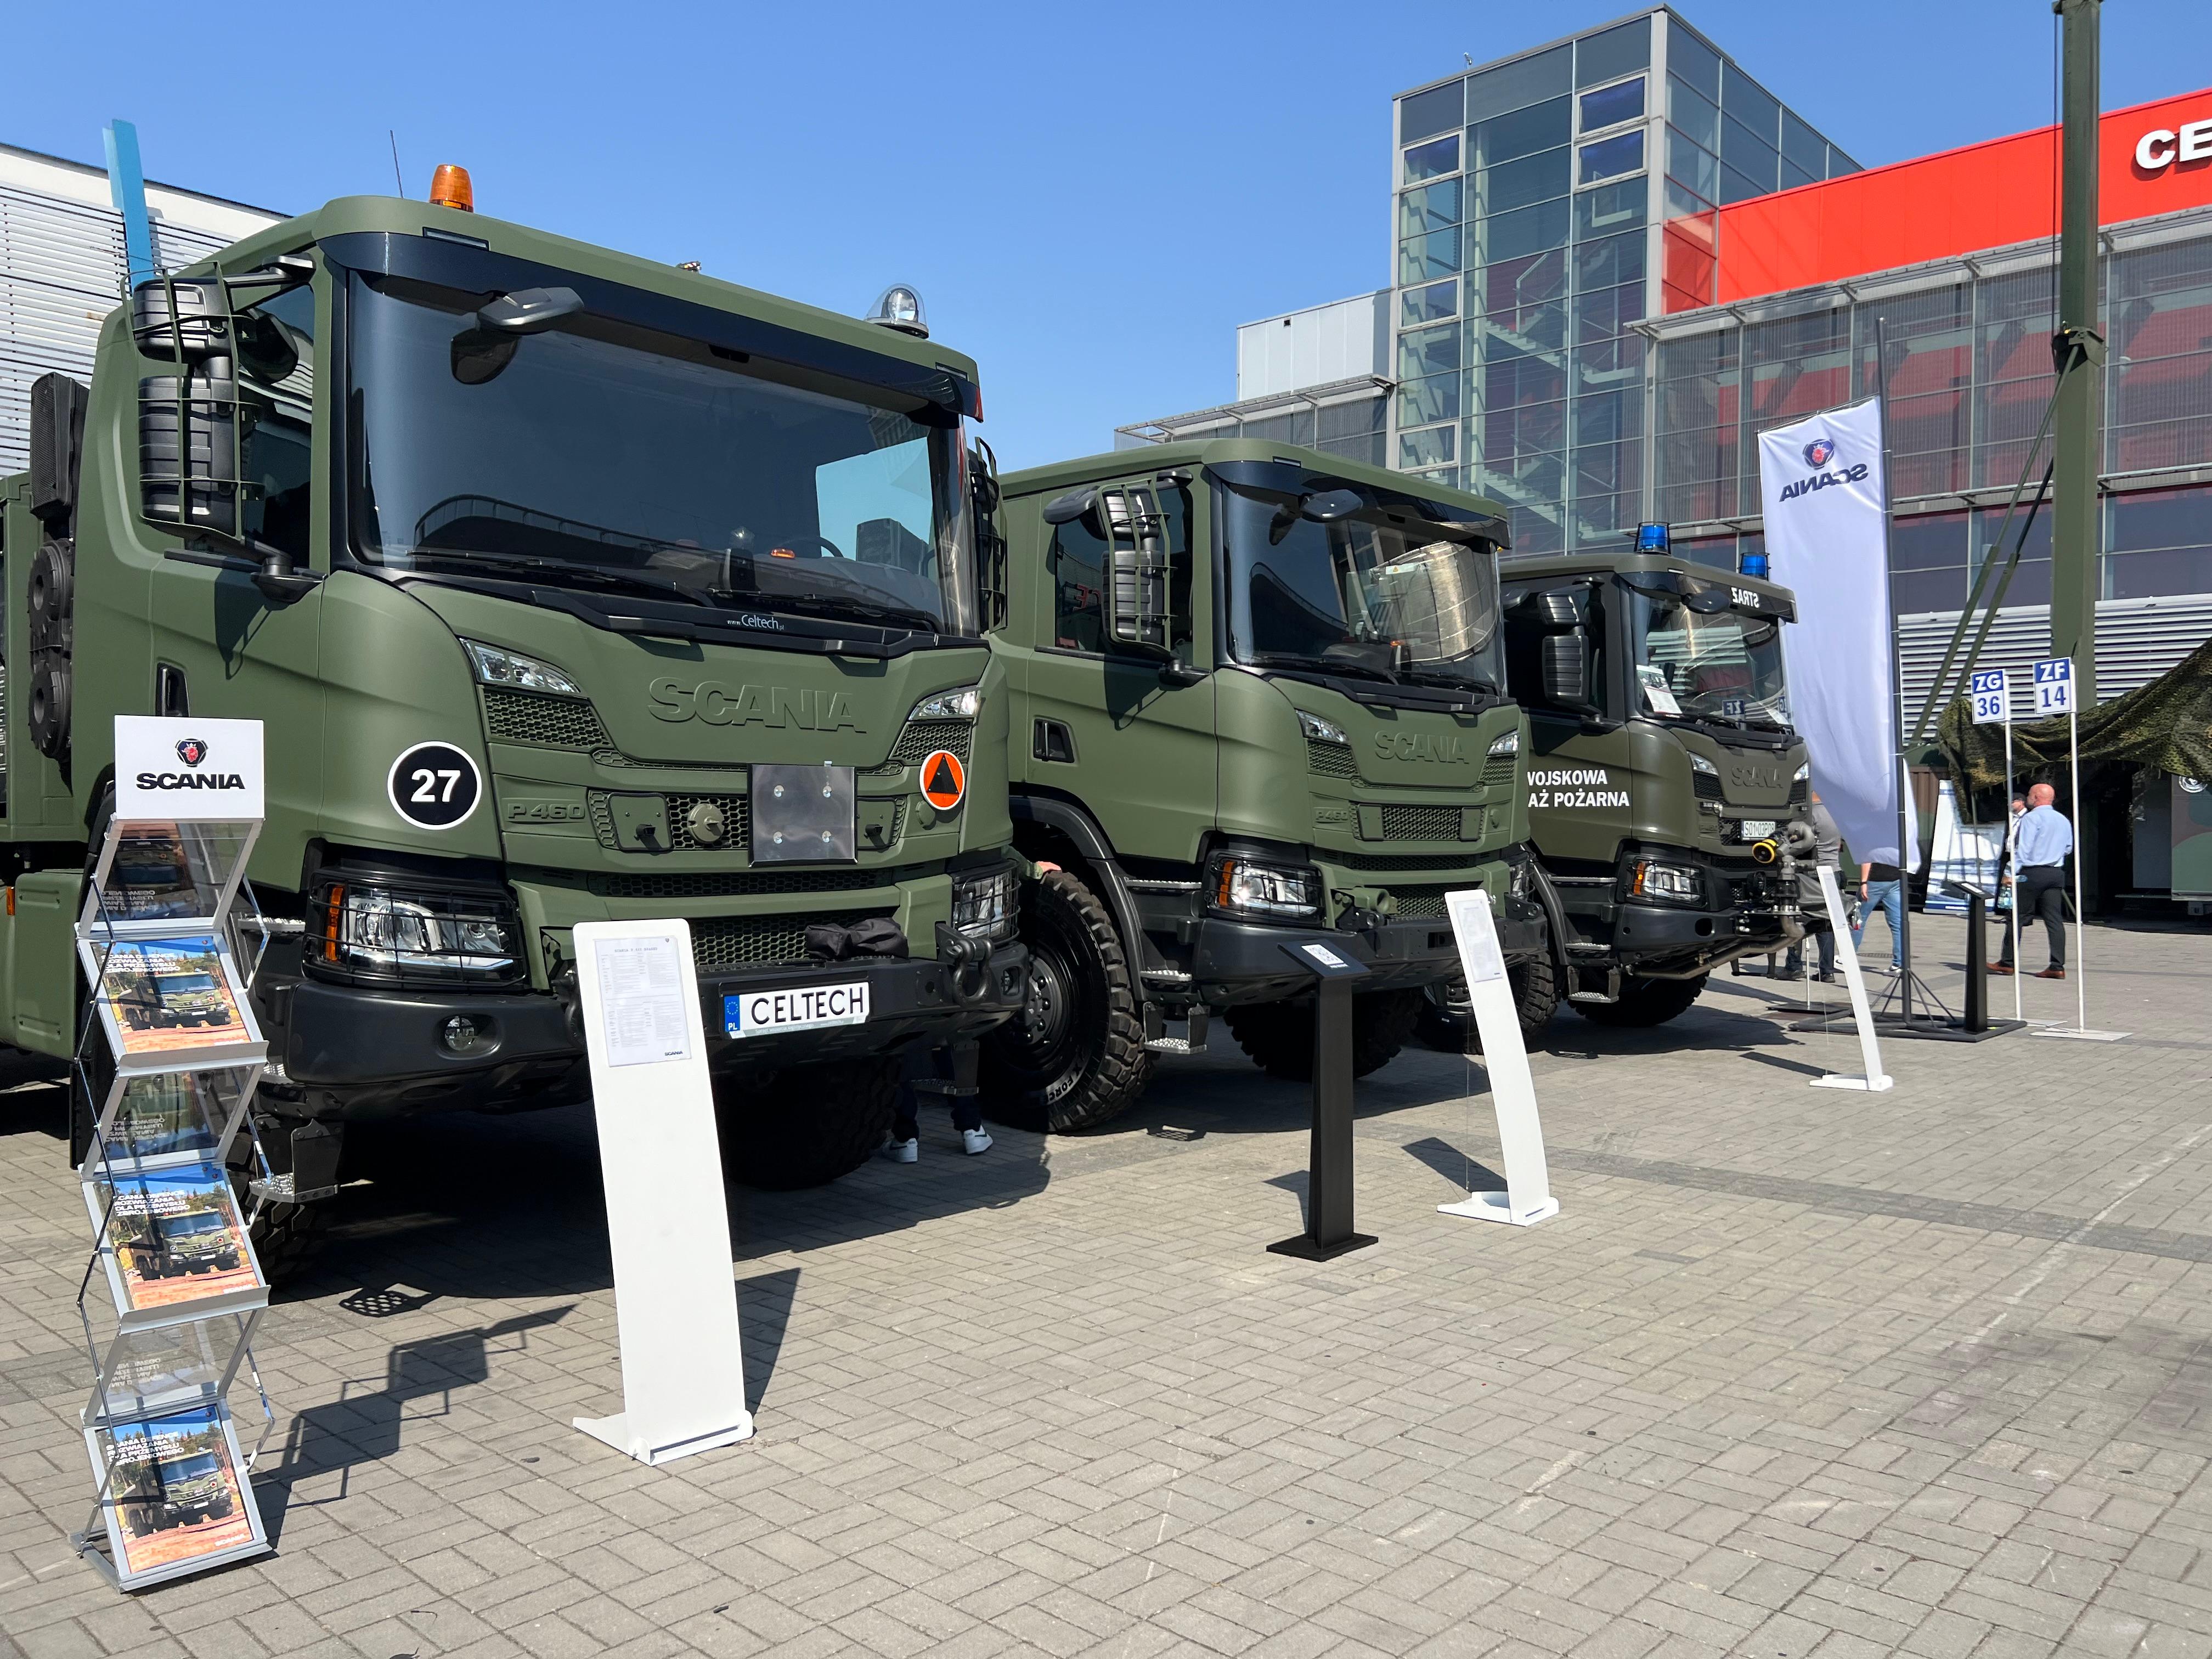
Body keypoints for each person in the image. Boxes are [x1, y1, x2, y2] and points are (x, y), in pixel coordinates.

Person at [1991, 782, 2071, 980]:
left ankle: (2008, 962)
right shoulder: (2063, 820)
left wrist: (2012, 873)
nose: (2027, 797)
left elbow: (2024, 849)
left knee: (2016, 917)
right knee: (2054, 920)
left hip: (2032, 872)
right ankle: (2057, 965)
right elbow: (2068, 848)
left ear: (2036, 798)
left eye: (2029, 794)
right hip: (2054, 872)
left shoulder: (2031, 818)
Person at [1782, 788, 1844, 981]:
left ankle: (1794, 966)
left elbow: (1797, 843)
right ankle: (1827, 971)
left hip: (1810, 872)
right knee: (1826, 922)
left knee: (1796, 917)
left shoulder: (1811, 815)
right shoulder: (1836, 812)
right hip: (1833, 870)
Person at [1852, 842, 1906, 973]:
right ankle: (1899, 964)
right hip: (1895, 879)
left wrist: (1864, 882)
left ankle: (1848, 957)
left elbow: (1867, 857)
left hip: (1875, 880)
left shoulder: (1873, 835)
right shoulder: (1897, 834)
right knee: (1897, 924)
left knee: (1858, 919)